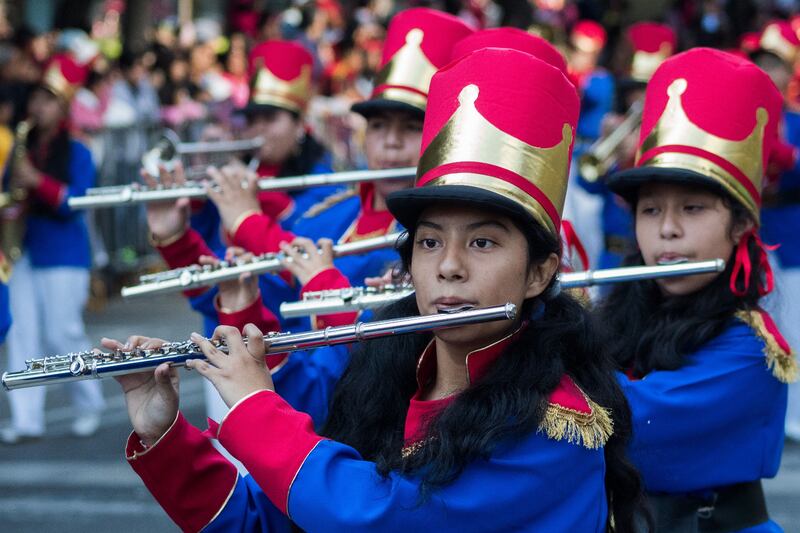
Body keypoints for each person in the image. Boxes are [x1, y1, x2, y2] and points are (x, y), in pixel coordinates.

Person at [112, 46, 648, 533]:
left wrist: (255, 407)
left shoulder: (555, 426)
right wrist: (167, 439)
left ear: (538, 273)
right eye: (430, 243)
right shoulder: (391, 371)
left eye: (483, 243)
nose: (450, 267)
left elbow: (385, 515)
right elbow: (279, 520)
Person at [600, 47, 796, 530]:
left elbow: (627, 416)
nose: (667, 230)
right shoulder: (615, 316)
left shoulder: (751, 346)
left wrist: (534, 333)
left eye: (692, 209)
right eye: (650, 210)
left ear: (740, 225)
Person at [1, 54, 104, 444]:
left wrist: (36, 182)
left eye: (47, 101)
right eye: (36, 100)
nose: (36, 108)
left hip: (63, 253)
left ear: (62, 106)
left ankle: (90, 403)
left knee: (64, 334)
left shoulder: (78, 151)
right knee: (22, 332)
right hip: (23, 249)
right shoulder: (21, 145)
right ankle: (26, 419)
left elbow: (76, 202)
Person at [752, 19, 800, 443]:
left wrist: (790, 157)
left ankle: (796, 417)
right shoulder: (742, 119)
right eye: (763, 64)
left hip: (791, 234)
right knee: (758, 324)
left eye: (777, 65)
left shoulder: (796, 122)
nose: (770, 73)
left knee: (796, 326)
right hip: (752, 232)